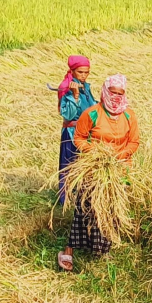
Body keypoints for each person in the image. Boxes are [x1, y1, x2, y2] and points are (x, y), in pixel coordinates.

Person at [58, 75, 140, 272]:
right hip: (93, 168)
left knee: (109, 208)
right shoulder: (92, 114)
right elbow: (79, 138)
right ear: (105, 91)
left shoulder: (129, 115)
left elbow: (134, 142)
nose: (116, 97)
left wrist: (119, 155)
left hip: (118, 169)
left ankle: (101, 248)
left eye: (120, 93)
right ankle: (70, 248)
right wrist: (95, 153)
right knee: (84, 206)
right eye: (112, 92)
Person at [57, 55, 96, 206]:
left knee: (84, 166)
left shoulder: (85, 86)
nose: (84, 76)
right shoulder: (65, 88)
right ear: (72, 71)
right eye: (80, 72)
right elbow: (68, 114)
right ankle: (66, 200)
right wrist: (75, 96)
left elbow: (92, 105)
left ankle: (83, 197)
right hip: (72, 133)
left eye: (87, 72)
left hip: (86, 133)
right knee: (69, 166)